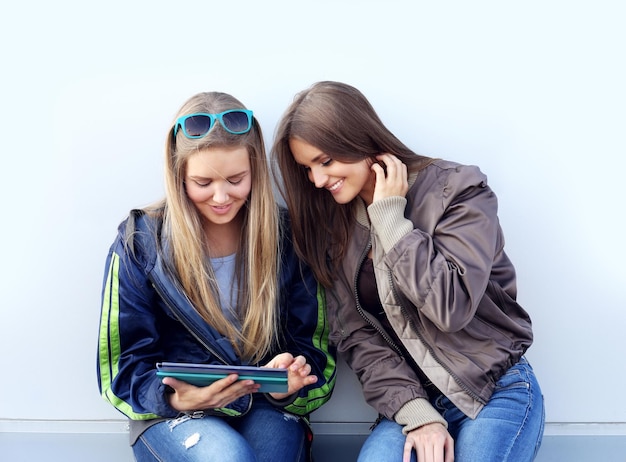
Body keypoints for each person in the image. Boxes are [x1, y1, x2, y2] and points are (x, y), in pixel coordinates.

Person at [271, 81, 545, 462]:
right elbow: (356, 336)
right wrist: (415, 413)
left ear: (357, 138)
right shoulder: (333, 227)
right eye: (308, 169)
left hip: (493, 387)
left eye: (325, 161)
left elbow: (451, 305)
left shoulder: (458, 191)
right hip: (412, 399)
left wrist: (390, 221)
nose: (317, 180)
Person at [97, 91, 336, 462]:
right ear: (179, 176)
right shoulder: (139, 242)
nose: (221, 196)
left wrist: (286, 386)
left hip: (264, 406)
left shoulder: (291, 239)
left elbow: (316, 353)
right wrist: (177, 397)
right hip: (172, 413)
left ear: (254, 169)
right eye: (203, 183)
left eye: (236, 179)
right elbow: (120, 365)